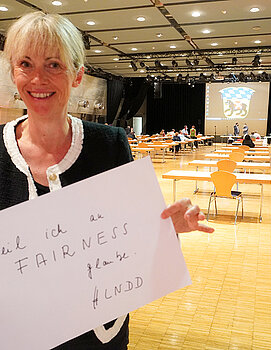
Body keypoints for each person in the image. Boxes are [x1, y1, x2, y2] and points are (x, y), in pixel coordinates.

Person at [1, 12, 214, 350]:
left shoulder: (109, 144)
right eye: (25, 63)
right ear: (13, 72)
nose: (38, 78)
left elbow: (127, 243)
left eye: (54, 64)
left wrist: (165, 229)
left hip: (97, 339)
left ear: (77, 75)